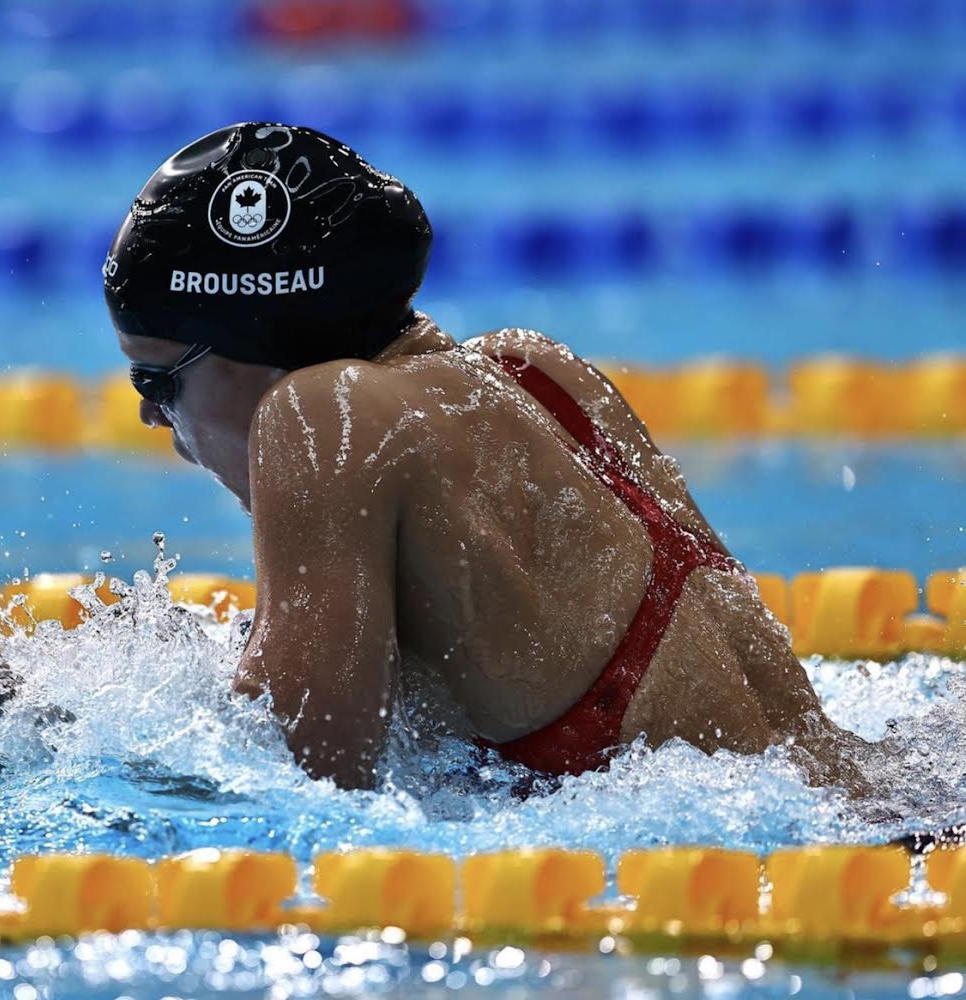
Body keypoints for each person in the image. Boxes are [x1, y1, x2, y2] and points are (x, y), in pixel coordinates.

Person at [98, 122, 868, 791]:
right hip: (877, 817)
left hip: (727, 889)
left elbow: (301, 774)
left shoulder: (318, 413)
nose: (146, 411)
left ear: (255, 342)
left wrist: (69, 736)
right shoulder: (534, 374)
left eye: (157, 379)